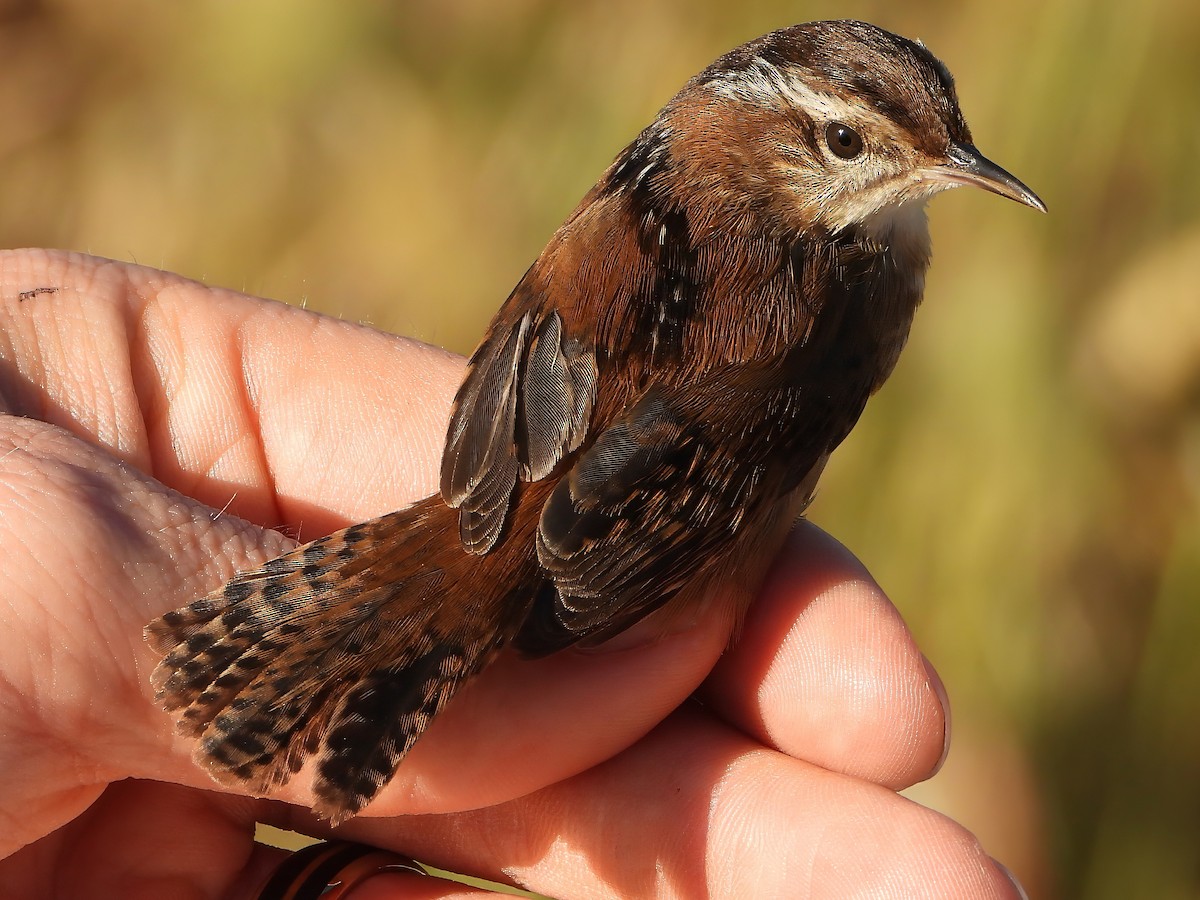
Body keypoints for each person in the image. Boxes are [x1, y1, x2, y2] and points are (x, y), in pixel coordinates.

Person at [0, 249, 1024, 898]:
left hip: (512, 457)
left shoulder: (625, 217)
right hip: (570, 542)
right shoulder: (820, 319)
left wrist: (499, 498)